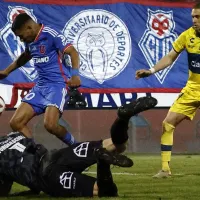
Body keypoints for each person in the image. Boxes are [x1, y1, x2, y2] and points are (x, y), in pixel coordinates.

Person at [0, 96, 157, 197]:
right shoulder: (13, 136)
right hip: (56, 155)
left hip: (47, 176)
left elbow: (4, 189)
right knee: (116, 145)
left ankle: (103, 162)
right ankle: (122, 119)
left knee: (106, 191)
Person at [135, 3, 200, 178]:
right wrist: (152, 70)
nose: (194, 20)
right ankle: (165, 169)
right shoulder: (187, 36)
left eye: (198, 17)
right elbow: (171, 56)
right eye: (193, 16)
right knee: (167, 124)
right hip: (193, 89)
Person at [0, 13, 81, 146]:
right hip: (40, 87)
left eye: (21, 36)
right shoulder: (30, 41)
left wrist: (75, 75)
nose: (21, 40)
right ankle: (37, 155)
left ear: (29, 28)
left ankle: (77, 147)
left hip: (58, 85)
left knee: (50, 125)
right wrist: (6, 71)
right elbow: (26, 55)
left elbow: (73, 52)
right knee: (16, 123)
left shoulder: (50, 34)